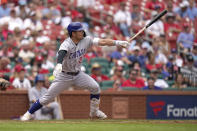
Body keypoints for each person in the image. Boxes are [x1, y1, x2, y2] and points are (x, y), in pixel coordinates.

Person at [20, 22, 129, 121]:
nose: (82, 32)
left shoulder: (86, 40)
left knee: (95, 87)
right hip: (64, 76)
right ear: (73, 33)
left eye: (82, 30)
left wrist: (118, 42)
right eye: (79, 31)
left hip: (78, 74)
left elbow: (103, 41)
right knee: (48, 97)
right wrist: (58, 64)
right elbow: (62, 53)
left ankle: (94, 112)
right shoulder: (66, 43)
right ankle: (28, 114)